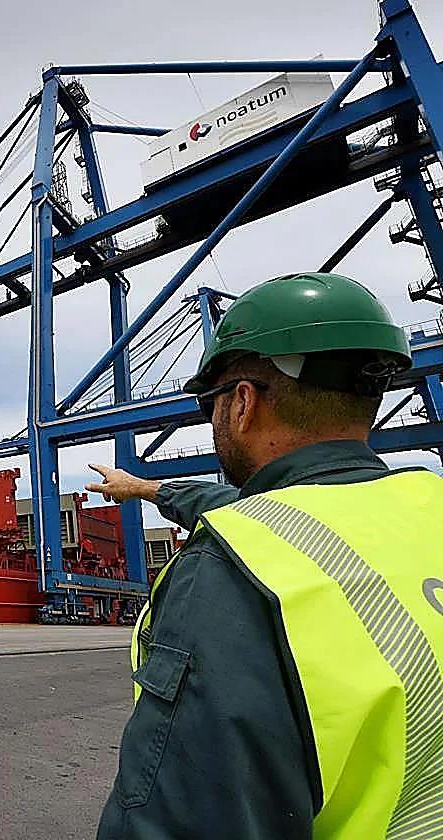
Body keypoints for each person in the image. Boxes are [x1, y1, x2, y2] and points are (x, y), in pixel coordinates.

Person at [87, 273, 443, 839]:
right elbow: (255, 505)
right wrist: (147, 488)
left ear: (243, 403)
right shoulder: (427, 504)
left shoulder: (233, 569)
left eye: (211, 402)